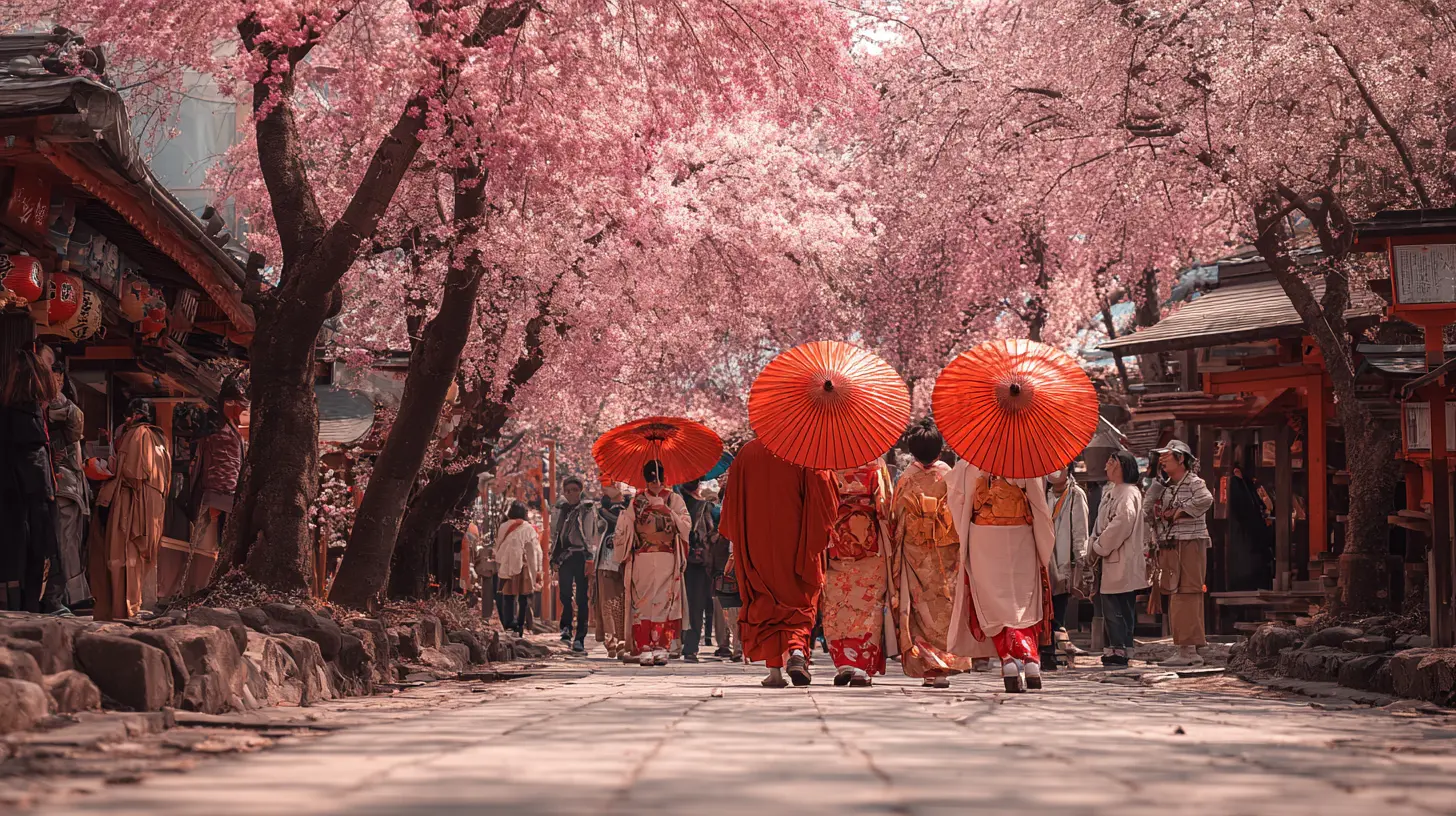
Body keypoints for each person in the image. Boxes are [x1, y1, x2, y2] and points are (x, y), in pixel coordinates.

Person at [718, 439, 837, 688]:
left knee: (766, 602)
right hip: (796, 544)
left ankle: (774, 672)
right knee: (799, 601)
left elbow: (730, 505)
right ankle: (796, 652)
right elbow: (824, 498)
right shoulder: (805, 450)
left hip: (757, 543)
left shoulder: (747, 453)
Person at [947, 461, 1056, 694]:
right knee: (1023, 599)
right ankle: (1030, 660)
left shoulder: (973, 458)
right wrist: (1043, 541)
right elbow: (1038, 503)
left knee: (993, 599)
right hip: (1020, 533)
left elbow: (957, 496)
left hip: (983, 534)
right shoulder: (1024, 458)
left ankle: (1008, 661)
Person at [888, 421, 973, 688]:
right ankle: (945, 665)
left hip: (915, 553)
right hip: (946, 551)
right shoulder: (950, 475)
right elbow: (961, 512)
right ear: (940, 450)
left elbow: (896, 519)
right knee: (944, 607)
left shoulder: (906, 479)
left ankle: (928, 668)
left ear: (912, 451)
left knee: (917, 610)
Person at [1, 309, 60, 613]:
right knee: (34, 556)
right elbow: (36, 461)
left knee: (20, 557)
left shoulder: (13, 411)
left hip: (16, 497)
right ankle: (29, 609)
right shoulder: (29, 415)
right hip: (30, 499)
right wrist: (48, 495)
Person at [89, 398, 170, 621]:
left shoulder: (137, 435)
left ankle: (122, 609)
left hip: (131, 503)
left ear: (135, 415)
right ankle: (132, 605)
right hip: (153, 507)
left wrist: (109, 468)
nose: (126, 420)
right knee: (139, 560)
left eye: (128, 416)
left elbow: (131, 473)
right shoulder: (160, 437)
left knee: (121, 557)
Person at [823, 460, 895, 687]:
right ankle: (861, 667)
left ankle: (843, 661)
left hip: (836, 540)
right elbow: (884, 506)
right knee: (868, 607)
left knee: (836, 604)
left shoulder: (826, 463)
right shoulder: (874, 465)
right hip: (868, 542)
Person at [173, 377, 245, 598]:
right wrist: (223, 498)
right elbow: (223, 469)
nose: (243, 407)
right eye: (241, 402)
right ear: (230, 403)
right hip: (219, 496)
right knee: (207, 547)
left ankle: (197, 588)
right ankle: (195, 589)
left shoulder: (226, 427)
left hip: (224, 496)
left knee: (210, 547)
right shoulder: (220, 431)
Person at [1145, 439, 1214, 667]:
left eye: (1167, 456)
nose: (1162, 460)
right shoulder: (1167, 486)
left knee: (1188, 592)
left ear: (1181, 458)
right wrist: (1156, 486)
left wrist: (1180, 512)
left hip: (1190, 542)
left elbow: (1206, 499)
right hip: (1171, 545)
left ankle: (1190, 649)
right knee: (1176, 593)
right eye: (1161, 457)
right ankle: (1182, 647)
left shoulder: (1194, 481)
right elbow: (1147, 511)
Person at [614, 460, 690, 667]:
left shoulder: (673, 499)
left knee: (665, 601)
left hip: (667, 556)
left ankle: (662, 647)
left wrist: (666, 511)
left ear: (664, 478)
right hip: (643, 556)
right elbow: (625, 529)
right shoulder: (636, 502)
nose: (655, 483)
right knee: (643, 601)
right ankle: (644, 647)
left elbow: (685, 526)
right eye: (651, 478)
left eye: (658, 478)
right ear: (646, 480)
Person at [39, 345, 90, 610]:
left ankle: (68, 596)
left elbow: (74, 424)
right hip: (64, 484)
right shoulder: (55, 404)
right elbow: (74, 426)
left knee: (66, 542)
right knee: (64, 543)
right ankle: (68, 596)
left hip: (66, 482)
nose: (55, 376)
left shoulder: (59, 403)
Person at [1086, 451, 1147, 666]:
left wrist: (1101, 544)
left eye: (1111, 462)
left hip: (1120, 556)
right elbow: (1100, 523)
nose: (1106, 465)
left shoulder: (1128, 492)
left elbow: (1123, 521)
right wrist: (1094, 543)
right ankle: (1118, 646)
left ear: (1121, 466)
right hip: (1110, 556)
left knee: (1117, 604)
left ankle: (1119, 648)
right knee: (1114, 603)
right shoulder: (1112, 492)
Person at [1043, 465, 1089, 668]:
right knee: (1047, 606)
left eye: (1057, 468)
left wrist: (1081, 558)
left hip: (1064, 559)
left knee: (1059, 604)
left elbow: (1080, 528)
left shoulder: (1075, 494)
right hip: (1046, 557)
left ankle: (1058, 649)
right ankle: (1053, 649)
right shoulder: (1044, 494)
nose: (1052, 473)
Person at [550, 475, 598, 652]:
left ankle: (580, 636)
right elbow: (555, 534)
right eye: (568, 491)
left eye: (575, 490)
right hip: (565, 556)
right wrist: (553, 558)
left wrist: (590, 557)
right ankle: (566, 628)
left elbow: (590, 534)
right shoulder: (560, 509)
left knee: (582, 598)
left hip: (582, 555)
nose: (571, 494)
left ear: (581, 491)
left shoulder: (587, 508)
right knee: (565, 594)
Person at [590, 481, 630, 659]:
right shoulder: (598, 509)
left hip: (625, 559)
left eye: (609, 483)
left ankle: (623, 639)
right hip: (605, 559)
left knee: (623, 601)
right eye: (603, 483)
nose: (605, 487)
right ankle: (610, 639)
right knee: (606, 603)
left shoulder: (632, 506)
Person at [679, 478, 717, 663]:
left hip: (673, 559)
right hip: (696, 561)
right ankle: (690, 648)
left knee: (674, 603)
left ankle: (673, 643)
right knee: (696, 604)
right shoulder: (704, 507)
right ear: (698, 486)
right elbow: (710, 532)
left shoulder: (672, 504)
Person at [495, 501, 541, 636]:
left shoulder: (504, 526)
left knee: (508, 596)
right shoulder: (529, 528)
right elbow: (535, 550)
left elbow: (498, 545)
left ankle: (509, 623)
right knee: (523, 597)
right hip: (524, 566)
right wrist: (536, 570)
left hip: (507, 565)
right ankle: (520, 625)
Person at [708, 486, 740, 660]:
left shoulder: (745, 516)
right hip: (722, 566)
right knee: (722, 608)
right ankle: (724, 644)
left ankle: (738, 645)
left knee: (738, 608)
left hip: (739, 565)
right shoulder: (716, 518)